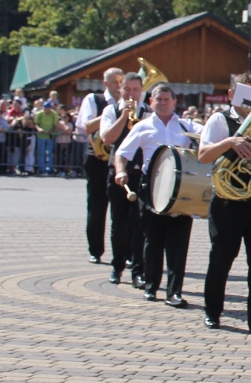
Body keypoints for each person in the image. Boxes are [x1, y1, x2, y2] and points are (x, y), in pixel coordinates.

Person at [197, 74, 251, 336]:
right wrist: (230, 142)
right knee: (221, 260)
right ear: (231, 95)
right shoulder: (220, 120)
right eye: (244, 93)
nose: (250, 99)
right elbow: (203, 155)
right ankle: (212, 312)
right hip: (227, 203)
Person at [113, 84, 203, 306]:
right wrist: (121, 170)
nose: (162, 103)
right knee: (152, 241)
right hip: (152, 188)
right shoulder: (143, 126)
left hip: (181, 190)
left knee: (178, 243)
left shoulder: (187, 126)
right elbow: (121, 153)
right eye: (158, 99)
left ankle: (174, 292)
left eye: (166, 99)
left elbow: (210, 137)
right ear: (151, 102)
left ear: (174, 102)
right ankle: (151, 286)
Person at [98, 73, 148, 287]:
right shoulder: (111, 110)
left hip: (141, 173)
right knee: (118, 225)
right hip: (118, 173)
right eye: (127, 89)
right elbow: (107, 138)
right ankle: (117, 266)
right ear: (120, 89)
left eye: (135, 90)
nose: (131, 94)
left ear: (141, 90)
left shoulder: (148, 112)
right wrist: (124, 116)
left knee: (139, 226)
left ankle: (138, 271)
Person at [77, 67, 123, 263]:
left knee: (122, 210)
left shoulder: (129, 103)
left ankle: (124, 254)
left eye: (121, 82)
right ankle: (95, 250)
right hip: (97, 159)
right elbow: (86, 126)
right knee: (97, 207)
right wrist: (109, 113)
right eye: (114, 82)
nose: (118, 86)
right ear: (105, 83)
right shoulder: (93, 100)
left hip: (119, 160)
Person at [33, 100, 59, 177]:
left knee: (49, 153)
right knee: (41, 153)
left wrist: (50, 130)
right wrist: (39, 129)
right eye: (45, 108)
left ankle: (49, 169)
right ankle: (42, 169)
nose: (46, 110)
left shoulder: (54, 114)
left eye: (48, 108)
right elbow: (36, 124)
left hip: (50, 136)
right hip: (41, 136)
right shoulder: (39, 113)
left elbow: (55, 124)